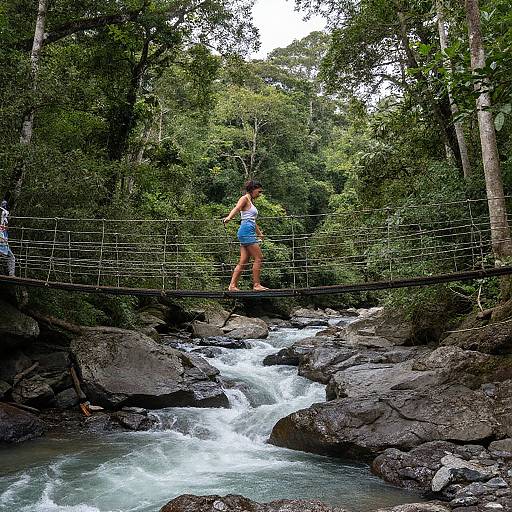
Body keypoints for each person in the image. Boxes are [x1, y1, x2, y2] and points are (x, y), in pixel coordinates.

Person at [223, 180, 269, 292]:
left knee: (243, 261)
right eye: (259, 191)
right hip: (246, 232)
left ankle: (232, 286)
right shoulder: (244, 198)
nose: (260, 194)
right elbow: (237, 208)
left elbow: (252, 220)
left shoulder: (251, 202)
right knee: (259, 257)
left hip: (247, 231)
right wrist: (229, 217)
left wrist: (259, 234)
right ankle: (256, 285)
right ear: (253, 189)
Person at [0, 200, 15, 276]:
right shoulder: (3, 215)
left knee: (11, 257)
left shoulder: (5, 217)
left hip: (4, 244)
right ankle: (11, 274)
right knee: (11, 257)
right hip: (2, 244)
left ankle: (12, 274)